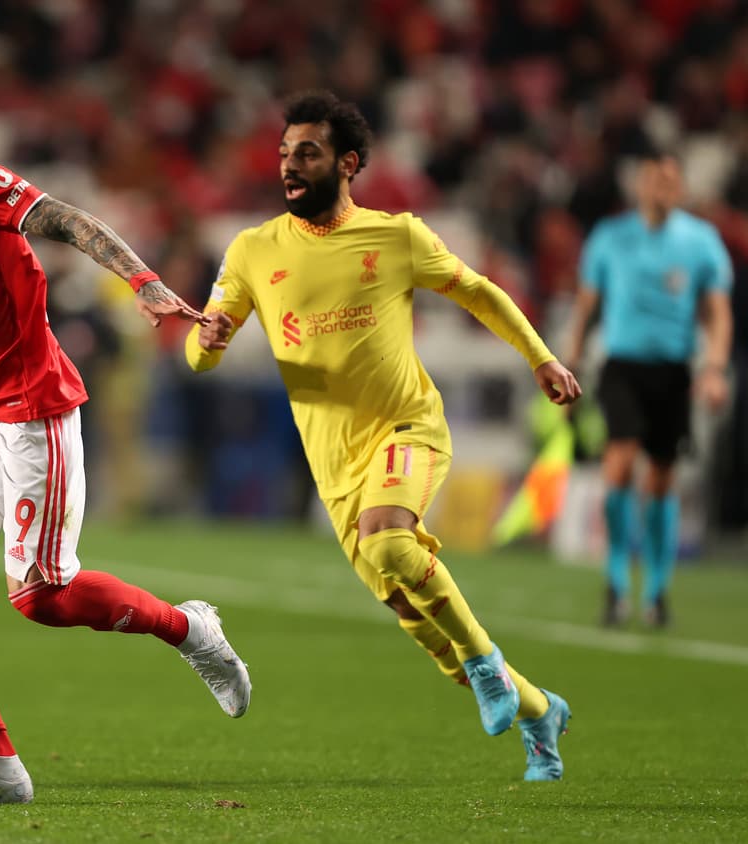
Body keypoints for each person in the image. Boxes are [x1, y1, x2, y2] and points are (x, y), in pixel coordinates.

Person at [0, 52, 251, 805]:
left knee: (43, 598)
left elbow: (64, 218)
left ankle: (189, 630)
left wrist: (144, 282)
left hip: (29, 409)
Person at [186, 91, 582, 782]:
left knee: (392, 541)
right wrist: (207, 335)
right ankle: (538, 707)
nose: (290, 165)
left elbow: (479, 291)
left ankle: (488, 664)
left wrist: (541, 357)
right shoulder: (252, 250)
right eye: (284, 153)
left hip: (409, 428)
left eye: (307, 153)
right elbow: (200, 356)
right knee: (416, 614)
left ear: (348, 163)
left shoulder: (396, 236)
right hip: (333, 465)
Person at [564, 150, 734, 629]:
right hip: (621, 366)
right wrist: (569, 358)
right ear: (639, 186)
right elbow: (586, 303)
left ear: (679, 189)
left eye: (670, 181)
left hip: (673, 369)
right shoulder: (610, 237)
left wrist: (715, 367)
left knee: (661, 477)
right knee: (619, 460)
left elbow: (718, 310)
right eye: (654, 180)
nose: (662, 188)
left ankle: (656, 592)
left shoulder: (700, 242)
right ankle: (617, 584)